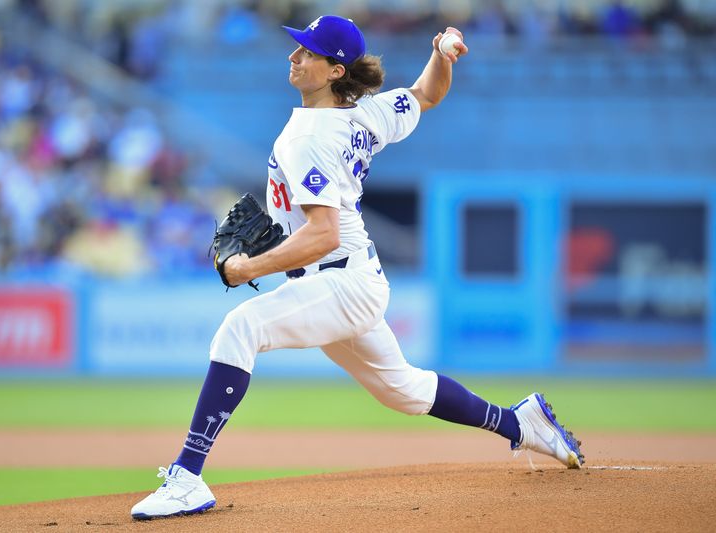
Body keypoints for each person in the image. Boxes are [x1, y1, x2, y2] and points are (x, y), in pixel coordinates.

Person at [130, 15, 583, 520]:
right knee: (405, 391)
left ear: (334, 71)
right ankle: (521, 423)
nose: (294, 56)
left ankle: (187, 477)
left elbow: (322, 233)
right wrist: (443, 55)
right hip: (350, 280)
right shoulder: (365, 114)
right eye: (297, 48)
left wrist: (247, 268)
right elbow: (426, 95)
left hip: (340, 281)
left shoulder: (308, 138)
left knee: (241, 326)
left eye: (306, 52)